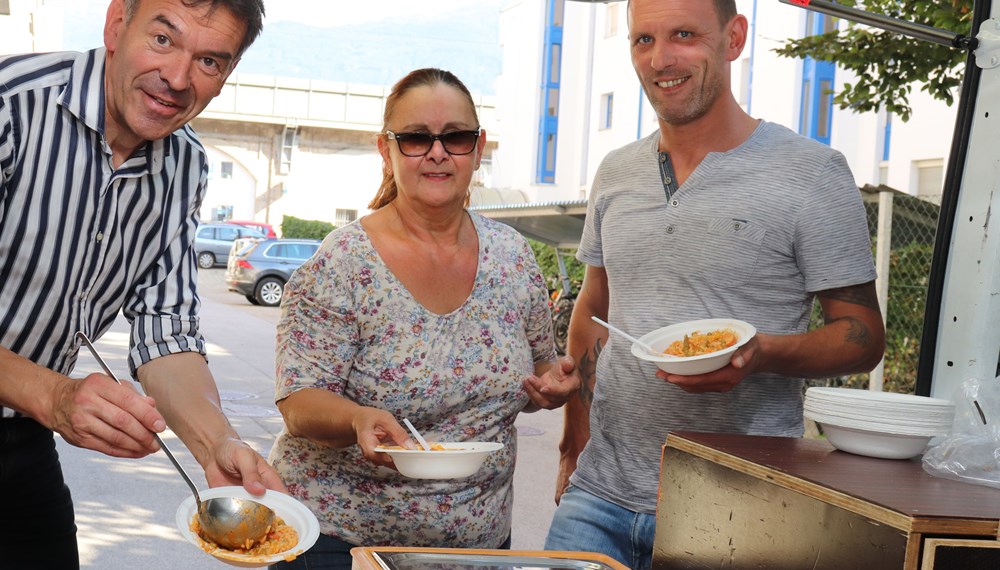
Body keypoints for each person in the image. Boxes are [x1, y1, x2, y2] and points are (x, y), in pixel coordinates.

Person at [543, 0, 887, 569]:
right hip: (597, 495)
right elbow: (594, 310)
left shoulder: (813, 172)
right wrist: (571, 445)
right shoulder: (615, 171)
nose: (661, 59)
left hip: (735, 500)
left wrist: (762, 353)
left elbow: (863, 336)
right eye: (643, 40)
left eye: (683, 35)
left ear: (734, 38)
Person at [0, 1, 285, 568]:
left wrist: (216, 443)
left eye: (208, 60)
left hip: (19, 440)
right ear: (115, 25)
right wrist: (53, 396)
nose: (178, 79)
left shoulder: (186, 166)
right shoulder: (11, 106)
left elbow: (167, 331)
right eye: (162, 38)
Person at [268, 67, 580, 570]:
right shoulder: (344, 262)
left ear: (478, 149)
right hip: (336, 544)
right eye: (415, 138)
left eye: (455, 137)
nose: (437, 152)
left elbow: (541, 364)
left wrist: (553, 383)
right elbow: (299, 402)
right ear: (386, 151)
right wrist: (356, 418)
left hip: (476, 547)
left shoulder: (514, 256)